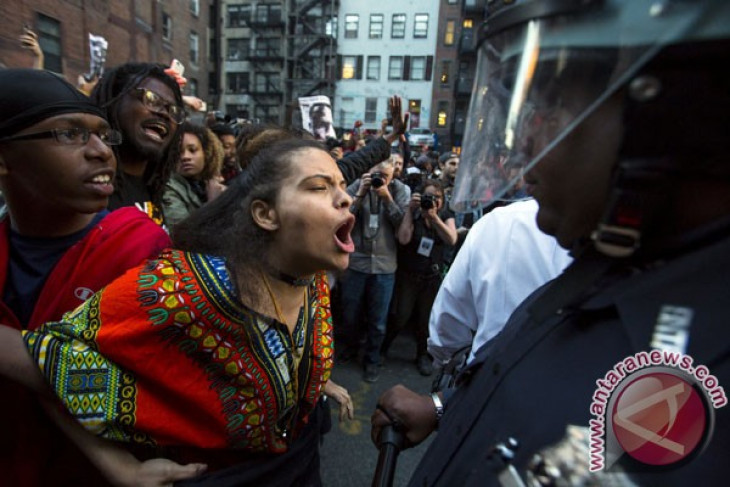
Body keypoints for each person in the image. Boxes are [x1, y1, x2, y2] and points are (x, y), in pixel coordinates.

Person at [372, 0, 730, 485]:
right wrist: (441, 405)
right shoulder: (599, 276)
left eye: (555, 102)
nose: (522, 145)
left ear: (665, 114)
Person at [0, 137, 356, 486]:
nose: (346, 198)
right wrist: (121, 467)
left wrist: (314, 380)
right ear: (265, 214)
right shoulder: (181, 288)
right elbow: (46, 357)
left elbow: (281, 359)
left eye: (342, 185)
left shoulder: (310, 278)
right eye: (319, 188)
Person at [0, 68, 172, 486]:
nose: (101, 152)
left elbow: (129, 392)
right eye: (69, 134)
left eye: (102, 134)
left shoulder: (140, 248)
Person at [428, 198, 572, 371]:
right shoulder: (501, 221)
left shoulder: (502, 221)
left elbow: (448, 319)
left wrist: (448, 362)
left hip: (487, 377)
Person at [337, 158, 410, 382]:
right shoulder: (357, 185)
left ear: (392, 177)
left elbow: (403, 224)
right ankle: (351, 348)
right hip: (357, 262)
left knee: (378, 320)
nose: (380, 180)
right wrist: (360, 193)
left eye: (385, 177)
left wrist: (386, 197)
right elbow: (342, 218)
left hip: (384, 265)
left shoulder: (400, 190)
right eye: (376, 174)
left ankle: (372, 360)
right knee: (350, 314)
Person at [91, 62, 186, 224]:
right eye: (151, 99)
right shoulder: (88, 190)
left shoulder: (155, 187)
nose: (164, 114)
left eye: (173, 110)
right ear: (115, 100)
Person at [382, 179, 457, 376]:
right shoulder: (414, 214)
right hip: (409, 276)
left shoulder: (445, 215)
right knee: (400, 316)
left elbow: (452, 239)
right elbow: (404, 238)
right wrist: (409, 210)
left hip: (431, 277)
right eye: (428, 196)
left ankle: (422, 356)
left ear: (443, 200)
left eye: (437, 197)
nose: (433, 201)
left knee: (425, 320)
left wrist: (434, 218)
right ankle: (383, 348)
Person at [162, 122, 226, 226]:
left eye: (192, 150)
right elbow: (181, 233)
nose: (185, 157)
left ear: (206, 152)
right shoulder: (168, 189)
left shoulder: (211, 183)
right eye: (178, 152)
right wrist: (213, 203)